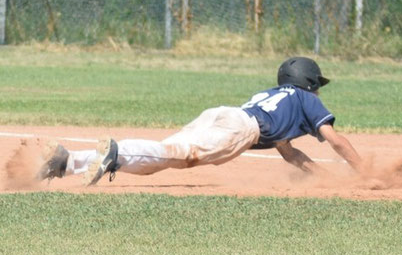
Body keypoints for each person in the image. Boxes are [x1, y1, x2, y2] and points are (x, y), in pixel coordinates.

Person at [37, 56, 373, 186]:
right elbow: (337, 140)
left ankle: (68, 162)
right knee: (174, 154)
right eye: (316, 86)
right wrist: (364, 172)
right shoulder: (304, 99)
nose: (317, 93)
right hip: (241, 129)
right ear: (308, 83)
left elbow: (290, 154)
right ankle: (115, 150)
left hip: (225, 113)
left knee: (162, 158)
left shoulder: (272, 96)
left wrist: (329, 179)